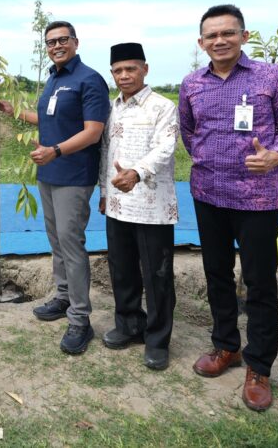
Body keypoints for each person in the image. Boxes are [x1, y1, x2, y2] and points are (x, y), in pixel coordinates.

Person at [179, 4, 278, 411]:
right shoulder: (191, 83)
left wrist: (277, 156)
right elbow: (188, 129)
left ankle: (259, 366)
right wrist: (205, 155)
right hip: (208, 194)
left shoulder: (270, 77)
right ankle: (225, 346)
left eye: (227, 33)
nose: (219, 41)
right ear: (201, 43)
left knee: (259, 282)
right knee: (216, 273)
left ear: (244, 36)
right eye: (211, 36)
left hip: (257, 198)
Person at [0, 21, 109, 354]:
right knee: (56, 240)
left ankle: (80, 320)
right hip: (48, 173)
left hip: (73, 175)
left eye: (62, 40)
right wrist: (16, 113)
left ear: (75, 42)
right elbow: (48, 118)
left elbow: (93, 132)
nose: (56, 45)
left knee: (72, 244)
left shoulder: (89, 80)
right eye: (50, 42)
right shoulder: (54, 79)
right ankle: (62, 297)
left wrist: (56, 150)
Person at [97, 42, 178, 371]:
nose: (124, 75)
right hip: (117, 204)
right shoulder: (111, 108)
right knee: (122, 269)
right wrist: (104, 190)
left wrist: (137, 172)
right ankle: (129, 324)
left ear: (145, 69)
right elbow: (105, 150)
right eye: (117, 70)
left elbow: (167, 147)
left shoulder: (162, 107)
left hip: (152, 206)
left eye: (130, 68)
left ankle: (157, 339)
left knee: (157, 274)